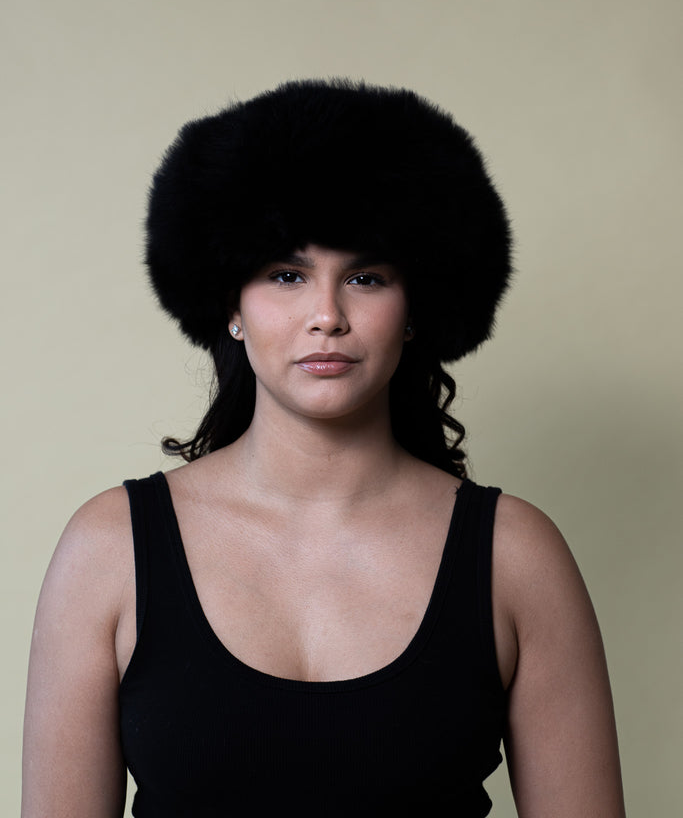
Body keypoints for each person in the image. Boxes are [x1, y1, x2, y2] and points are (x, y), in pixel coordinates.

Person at [22, 80, 626, 817]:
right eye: (287, 275)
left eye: (366, 277)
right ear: (231, 306)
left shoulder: (517, 557)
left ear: (415, 309)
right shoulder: (107, 550)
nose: (327, 316)